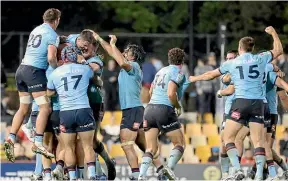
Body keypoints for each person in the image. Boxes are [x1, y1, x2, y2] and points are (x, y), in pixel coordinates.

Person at [189, 26, 283, 180]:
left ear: (240, 48)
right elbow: (278, 50)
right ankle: (259, 175)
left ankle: (237, 169)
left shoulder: (232, 63)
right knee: (258, 141)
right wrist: (273, 33)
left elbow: (210, 75)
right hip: (259, 104)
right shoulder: (261, 58)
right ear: (252, 48)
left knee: (228, 137)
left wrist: (195, 78)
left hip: (241, 102)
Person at [89, 31, 165, 180]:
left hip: (132, 110)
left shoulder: (133, 65)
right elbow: (113, 52)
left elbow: (120, 59)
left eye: (127, 51)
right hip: (136, 110)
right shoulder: (128, 65)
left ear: (133, 56)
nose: (124, 52)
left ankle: (136, 176)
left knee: (126, 143)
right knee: (144, 146)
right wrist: (99, 38)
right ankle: (162, 170)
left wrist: (113, 45)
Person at [4, 8, 61, 161]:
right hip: (34, 72)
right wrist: (57, 68)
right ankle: (38, 142)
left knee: (23, 108)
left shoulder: (36, 29)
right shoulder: (52, 35)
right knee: (45, 107)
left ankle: (10, 138)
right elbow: (50, 58)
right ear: (56, 20)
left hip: (21, 71)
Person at [65, 31, 116, 180]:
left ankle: (103, 166)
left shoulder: (96, 60)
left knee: (90, 140)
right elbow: (68, 38)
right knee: (79, 141)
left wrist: (78, 59)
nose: (82, 49)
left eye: (87, 47)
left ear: (94, 47)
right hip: (78, 103)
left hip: (94, 103)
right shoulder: (79, 45)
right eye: (81, 46)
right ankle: (95, 171)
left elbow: (89, 69)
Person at [46, 45, 97, 180]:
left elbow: (49, 92)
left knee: (68, 147)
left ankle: (73, 177)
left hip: (65, 112)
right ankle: (92, 175)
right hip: (83, 110)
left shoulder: (55, 73)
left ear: (63, 57)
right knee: (87, 146)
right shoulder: (85, 69)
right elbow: (94, 76)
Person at [139, 48, 187, 180]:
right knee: (180, 143)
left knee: (150, 149)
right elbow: (171, 93)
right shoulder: (178, 73)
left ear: (169, 59)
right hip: (164, 109)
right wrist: (177, 106)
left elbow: (150, 92)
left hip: (149, 109)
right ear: (182, 61)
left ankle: (141, 176)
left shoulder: (160, 71)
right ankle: (168, 170)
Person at [218, 50, 237, 179]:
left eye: (232, 58)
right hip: (229, 111)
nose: (229, 60)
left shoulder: (243, 70)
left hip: (245, 109)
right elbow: (225, 79)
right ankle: (225, 174)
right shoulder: (227, 72)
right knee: (224, 142)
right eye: (227, 58)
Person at [194, 58, 215, 123]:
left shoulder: (198, 68)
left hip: (202, 90)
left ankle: (202, 119)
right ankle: (209, 120)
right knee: (208, 105)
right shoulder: (210, 68)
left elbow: (197, 79)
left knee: (201, 105)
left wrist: (198, 89)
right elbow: (213, 80)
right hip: (209, 89)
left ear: (200, 61)